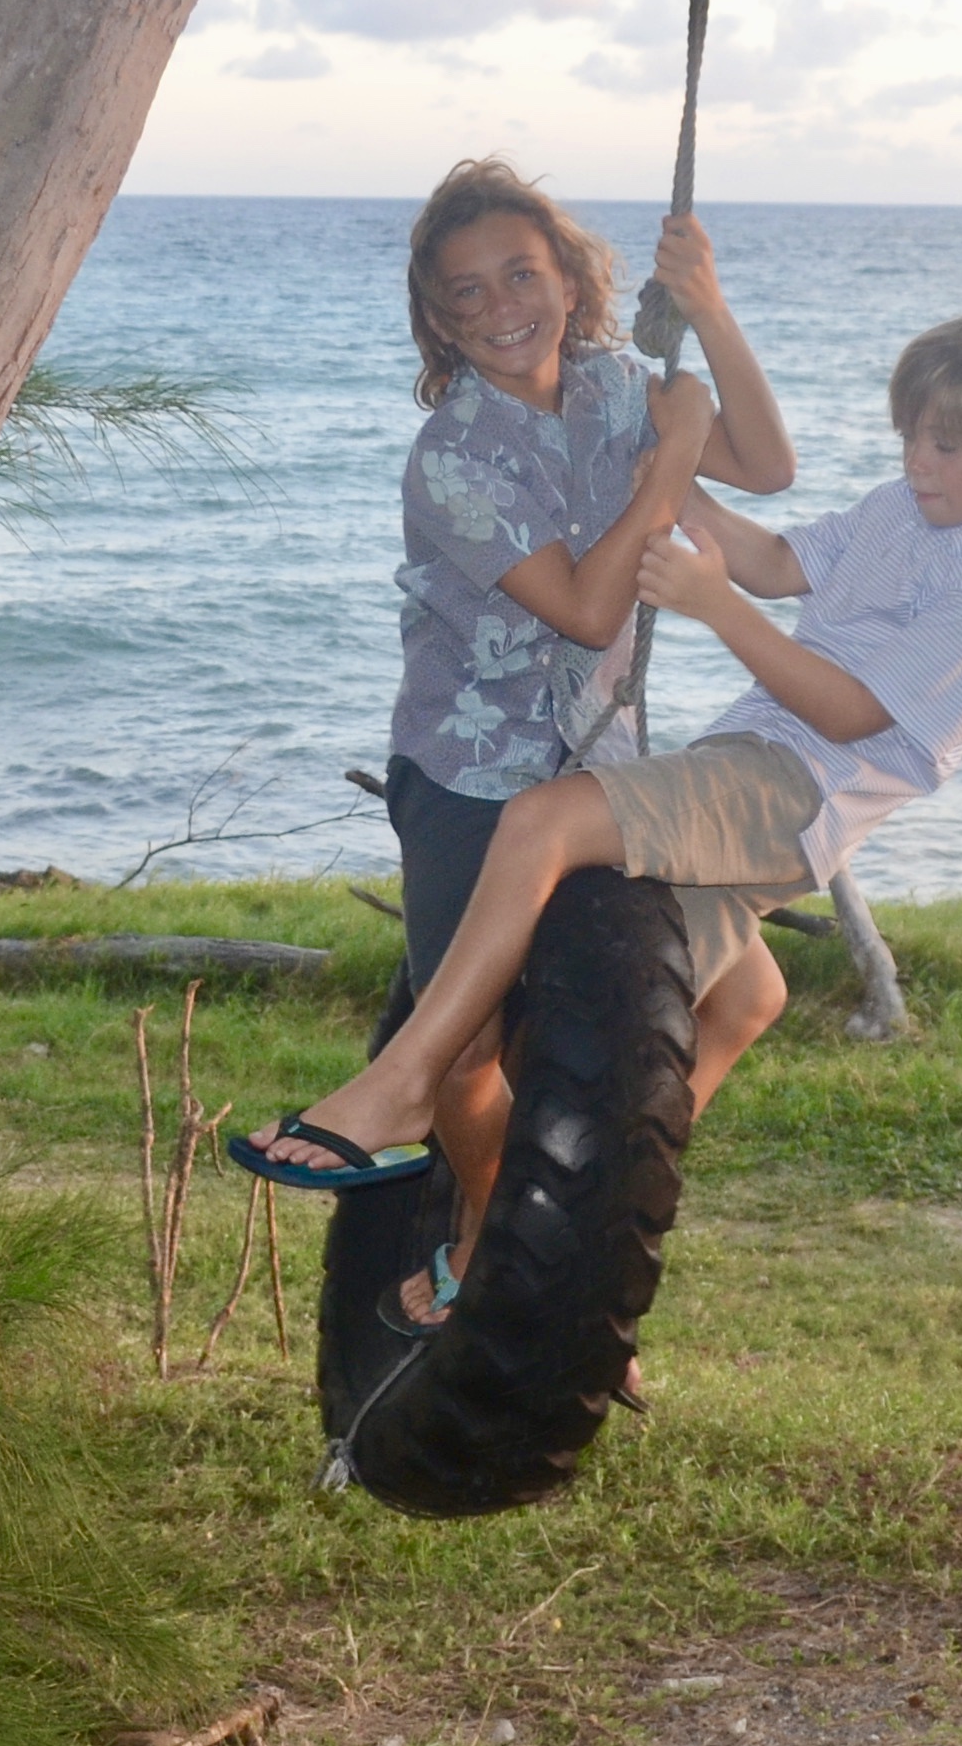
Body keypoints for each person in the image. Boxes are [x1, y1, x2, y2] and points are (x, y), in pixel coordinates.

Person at [242, 306, 962, 1327]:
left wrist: (712, 604)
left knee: (543, 825)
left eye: (944, 445)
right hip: (754, 772)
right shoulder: (910, 507)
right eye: (909, 436)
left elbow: (849, 710)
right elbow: (774, 559)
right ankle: (584, 1264)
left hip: (791, 787)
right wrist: (675, 474)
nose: (916, 461)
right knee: (718, 1002)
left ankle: (408, 1079)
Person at [223, 161, 791, 1195]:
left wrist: (707, 312)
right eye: (467, 292)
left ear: (570, 281)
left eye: (522, 274)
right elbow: (585, 610)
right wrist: (672, 461)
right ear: (440, 324)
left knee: (748, 992)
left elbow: (765, 466)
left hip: (598, 763)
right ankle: (482, 1226)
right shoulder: (450, 458)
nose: (500, 307)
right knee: (467, 1052)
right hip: (471, 778)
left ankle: (588, 1198)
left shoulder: (615, 387)